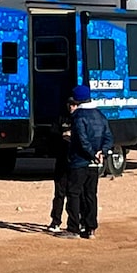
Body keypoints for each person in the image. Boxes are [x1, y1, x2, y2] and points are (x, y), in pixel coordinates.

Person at [60, 85, 113, 240]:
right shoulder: (100, 115)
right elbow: (109, 138)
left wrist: (91, 154)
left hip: (79, 160)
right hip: (95, 162)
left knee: (74, 193)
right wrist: (101, 152)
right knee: (91, 194)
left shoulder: (78, 116)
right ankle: (90, 228)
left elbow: (82, 140)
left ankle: (73, 228)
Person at [47, 89, 78, 233]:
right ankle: (55, 221)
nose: (71, 107)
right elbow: (52, 135)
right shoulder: (61, 118)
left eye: (74, 104)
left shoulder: (80, 119)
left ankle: (75, 222)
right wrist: (62, 135)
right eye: (69, 104)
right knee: (59, 193)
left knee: (75, 193)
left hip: (76, 162)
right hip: (62, 160)